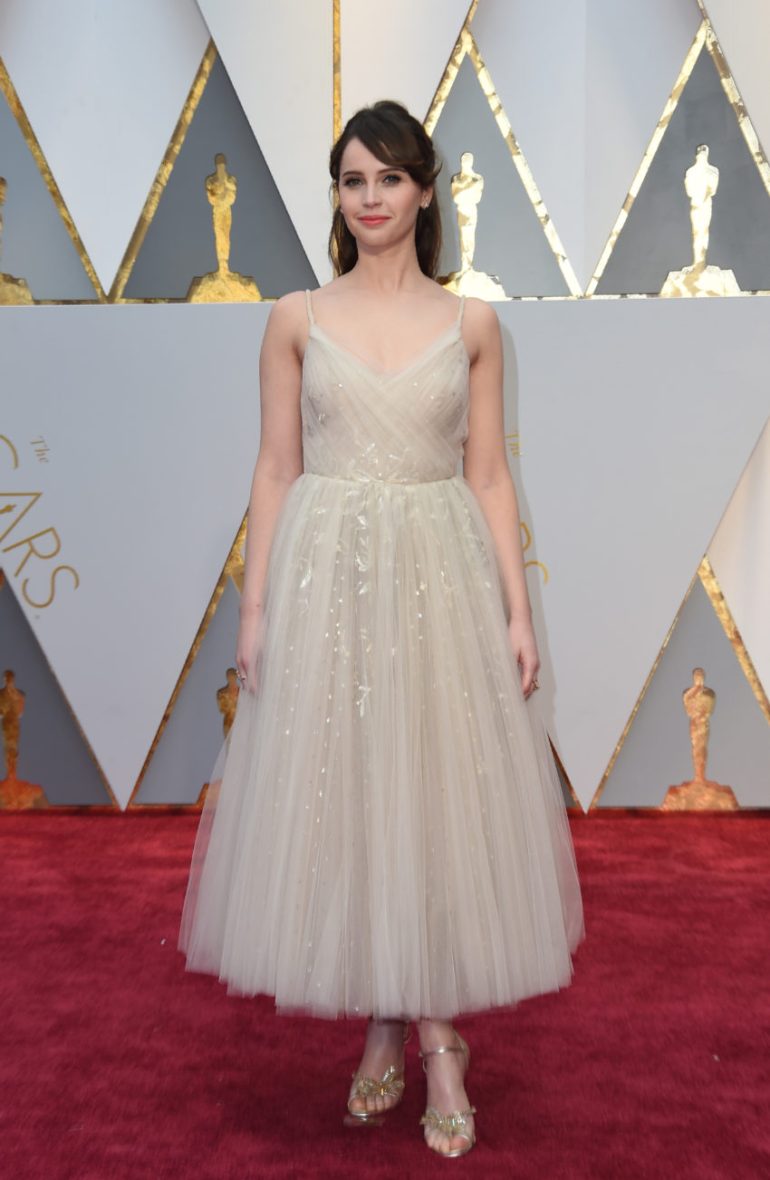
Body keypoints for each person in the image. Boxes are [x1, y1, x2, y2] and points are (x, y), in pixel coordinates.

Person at [178, 99, 584, 1159]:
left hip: (438, 576)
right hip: (329, 580)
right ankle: (391, 1024)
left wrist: (515, 606)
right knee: (355, 796)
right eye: (351, 180)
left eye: (387, 180)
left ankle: (423, 1035)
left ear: (423, 190)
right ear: (338, 195)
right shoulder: (293, 318)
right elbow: (275, 468)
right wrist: (257, 607)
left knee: (433, 796)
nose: (368, 199)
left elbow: (486, 474)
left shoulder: (474, 324)